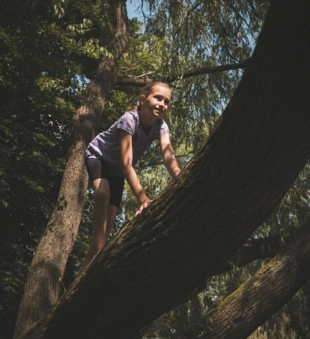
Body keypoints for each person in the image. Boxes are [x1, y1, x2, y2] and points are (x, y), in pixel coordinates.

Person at [80, 82, 181, 271]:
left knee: (108, 225)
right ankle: (100, 259)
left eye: (166, 101)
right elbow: (127, 164)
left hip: (116, 171)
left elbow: (168, 155)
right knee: (103, 193)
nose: (163, 104)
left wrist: (179, 176)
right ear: (143, 99)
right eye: (158, 98)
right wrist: (143, 199)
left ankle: (84, 271)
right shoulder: (129, 120)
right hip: (99, 157)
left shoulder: (161, 125)